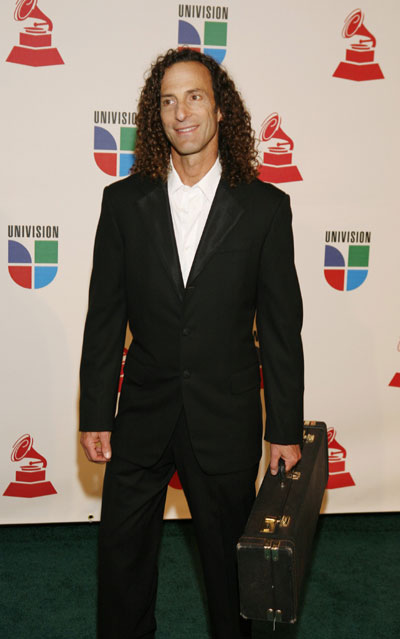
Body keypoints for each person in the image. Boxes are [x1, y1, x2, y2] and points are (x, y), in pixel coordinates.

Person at [79, 47, 303, 639]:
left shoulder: (265, 208)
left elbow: (282, 330)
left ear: (221, 109)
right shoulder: (123, 202)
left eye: (195, 96)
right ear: (158, 115)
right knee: (121, 562)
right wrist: (96, 411)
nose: (182, 112)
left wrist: (283, 426)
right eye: (168, 100)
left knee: (232, 574)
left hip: (225, 414)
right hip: (142, 412)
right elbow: (104, 317)